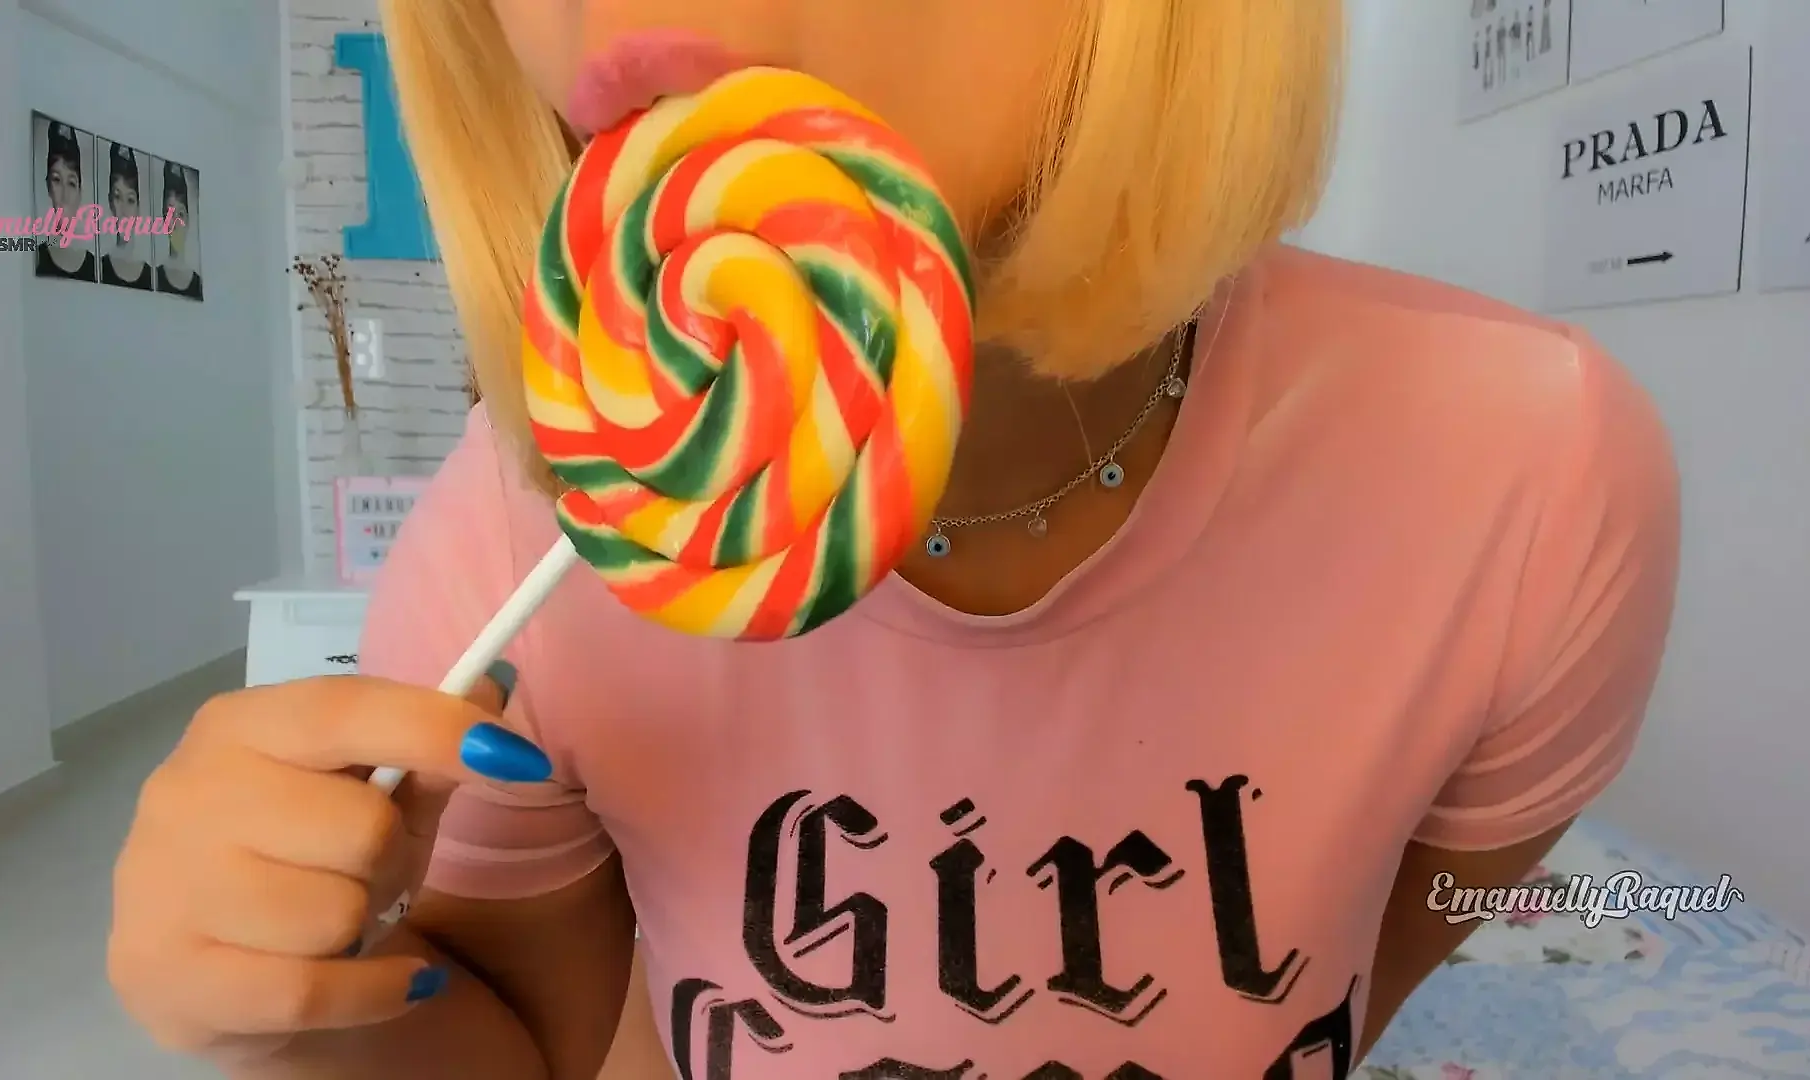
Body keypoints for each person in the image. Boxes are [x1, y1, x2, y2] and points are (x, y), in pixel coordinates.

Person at [106, 2, 1682, 1078]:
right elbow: (524, 1038)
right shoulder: (533, 545)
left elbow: (1385, 954)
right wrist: (300, 1012)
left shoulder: (1525, 475)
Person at [34, 120, 96, 283]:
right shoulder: (36, 258)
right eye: (57, 180)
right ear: (48, 186)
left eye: (71, 183)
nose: (65, 195)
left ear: (80, 191)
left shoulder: (95, 267)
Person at [100, 142, 154, 291]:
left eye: (130, 200)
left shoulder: (152, 276)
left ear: (138, 207)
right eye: (118, 197)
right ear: (110, 202)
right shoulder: (99, 268)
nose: (123, 211)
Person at [156, 160, 203, 299]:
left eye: (181, 214)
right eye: (170, 215)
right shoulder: (154, 277)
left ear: (188, 220)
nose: (176, 222)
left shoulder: (199, 283)